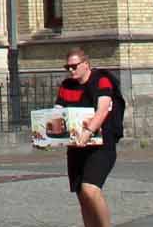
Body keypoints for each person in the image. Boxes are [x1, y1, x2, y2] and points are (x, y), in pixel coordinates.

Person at [49, 46, 124, 227]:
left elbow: (102, 109)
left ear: (86, 64)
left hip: (101, 146)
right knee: (82, 196)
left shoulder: (101, 80)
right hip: (76, 148)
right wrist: (45, 131)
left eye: (74, 66)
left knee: (90, 189)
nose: (71, 70)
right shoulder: (67, 85)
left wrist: (88, 131)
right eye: (67, 67)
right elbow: (57, 111)